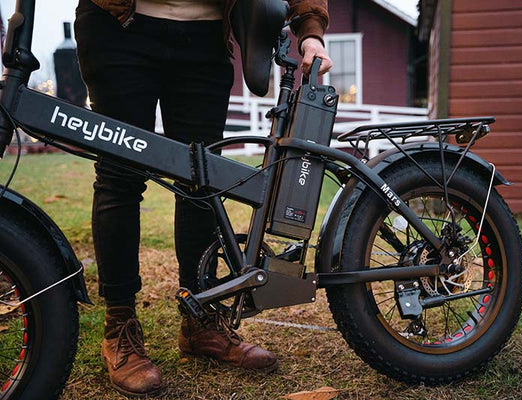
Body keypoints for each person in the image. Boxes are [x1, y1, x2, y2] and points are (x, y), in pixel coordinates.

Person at [74, 0, 332, 396]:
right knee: (119, 179)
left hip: (205, 36)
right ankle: (120, 327)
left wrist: (310, 29)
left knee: (200, 185)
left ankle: (202, 322)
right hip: (118, 26)